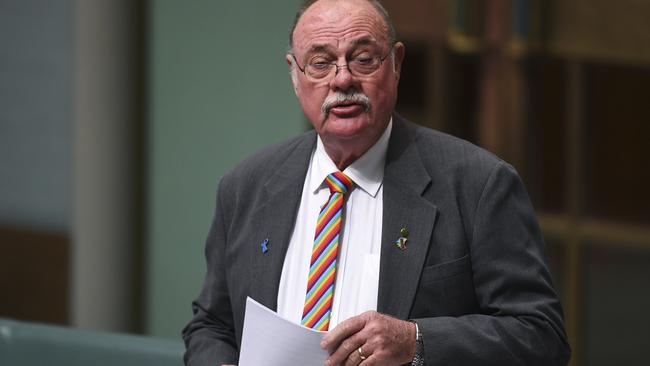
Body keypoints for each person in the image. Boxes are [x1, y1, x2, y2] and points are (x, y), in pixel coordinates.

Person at [182, 0, 571, 365]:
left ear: (396, 63)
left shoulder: (478, 184)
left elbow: (542, 336)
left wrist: (417, 342)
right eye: (320, 63)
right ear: (295, 75)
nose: (343, 79)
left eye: (364, 59)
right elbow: (212, 325)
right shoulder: (246, 186)